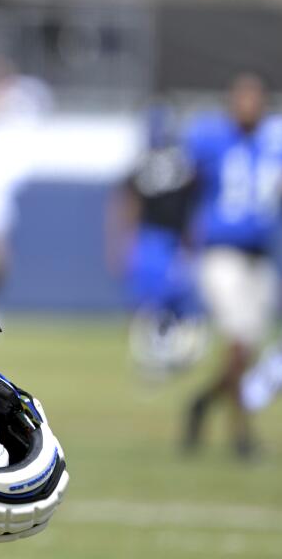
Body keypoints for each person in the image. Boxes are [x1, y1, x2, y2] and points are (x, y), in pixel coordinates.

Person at [181, 72, 282, 459]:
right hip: (221, 254)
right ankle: (242, 436)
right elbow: (187, 189)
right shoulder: (209, 138)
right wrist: (182, 240)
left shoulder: (281, 140)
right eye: (240, 97)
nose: (247, 105)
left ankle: (202, 402)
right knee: (238, 346)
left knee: (248, 354)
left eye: (254, 98)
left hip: (261, 256)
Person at [106, 105, 205, 378]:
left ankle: (163, 351)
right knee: (153, 302)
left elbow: (188, 203)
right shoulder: (160, 164)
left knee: (169, 300)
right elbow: (130, 203)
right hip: (153, 238)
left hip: (166, 240)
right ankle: (154, 354)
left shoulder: (180, 164)